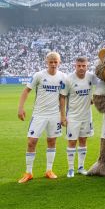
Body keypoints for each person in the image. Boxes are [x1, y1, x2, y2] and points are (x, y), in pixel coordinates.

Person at [18, 52, 66, 183]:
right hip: (39, 114)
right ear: (47, 62)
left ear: (59, 62)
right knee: (31, 142)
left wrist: (63, 116)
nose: (53, 64)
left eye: (56, 62)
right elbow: (26, 91)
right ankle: (28, 172)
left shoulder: (62, 77)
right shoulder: (39, 75)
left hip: (54, 115)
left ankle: (49, 170)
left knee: (52, 141)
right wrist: (20, 108)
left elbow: (62, 97)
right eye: (51, 62)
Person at [59, 57, 98, 178]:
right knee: (72, 142)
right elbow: (62, 97)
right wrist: (63, 116)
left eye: (84, 66)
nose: (81, 68)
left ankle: (81, 167)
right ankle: (70, 169)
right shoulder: (68, 79)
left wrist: (94, 98)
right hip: (73, 117)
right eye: (79, 65)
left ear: (87, 66)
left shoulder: (91, 77)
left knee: (83, 140)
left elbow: (102, 87)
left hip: (87, 116)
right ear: (75, 66)